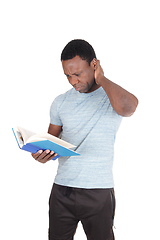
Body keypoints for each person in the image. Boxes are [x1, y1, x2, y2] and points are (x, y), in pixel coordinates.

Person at [32, 39, 138, 240]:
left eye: (78, 74)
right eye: (68, 76)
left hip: (98, 192)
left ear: (94, 64)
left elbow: (129, 108)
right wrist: (42, 154)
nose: (73, 81)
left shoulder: (111, 97)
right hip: (62, 190)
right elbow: (50, 141)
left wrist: (102, 79)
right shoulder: (60, 101)